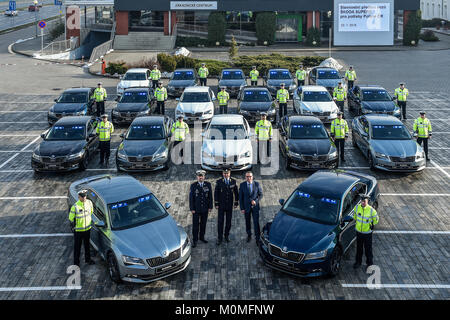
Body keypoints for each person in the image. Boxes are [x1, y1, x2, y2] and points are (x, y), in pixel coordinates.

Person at [352, 195, 379, 271]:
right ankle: (358, 262)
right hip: (359, 232)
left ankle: (369, 264)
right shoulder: (357, 208)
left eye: (365, 201)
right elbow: (355, 217)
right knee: (359, 249)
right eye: (362, 201)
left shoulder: (371, 210)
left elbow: (376, 220)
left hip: (367, 233)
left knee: (368, 249)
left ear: (367, 201)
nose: (363, 202)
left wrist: (371, 225)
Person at [69, 190, 95, 267]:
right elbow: (71, 218)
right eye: (82, 197)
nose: (84, 198)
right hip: (78, 231)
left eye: (85, 196)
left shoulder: (89, 203)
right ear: (79, 197)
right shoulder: (75, 206)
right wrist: (74, 227)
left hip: (87, 229)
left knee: (87, 246)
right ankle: (76, 263)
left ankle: (88, 260)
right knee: (77, 247)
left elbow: (91, 212)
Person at [214, 169, 239, 245]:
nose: (226, 175)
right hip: (221, 205)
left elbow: (236, 192)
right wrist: (216, 203)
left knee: (228, 222)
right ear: (222, 173)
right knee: (220, 222)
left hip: (229, 205)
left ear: (229, 173)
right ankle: (220, 238)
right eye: (224, 173)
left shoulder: (233, 181)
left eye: (227, 173)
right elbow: (216, 193)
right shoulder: (219, 182)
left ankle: (226, 236)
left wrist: (236, 202)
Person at [189, 170, 213, 248]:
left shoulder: (208, 185)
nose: (200, 178)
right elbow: (191, 198)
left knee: (203, 224)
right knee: (195, 226)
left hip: (205, 209)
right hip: (196, 209)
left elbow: (210, 197)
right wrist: (192, 208)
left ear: (204, 177)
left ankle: (202, 237)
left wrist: (210, 207)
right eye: (199, 176)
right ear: (197, 177)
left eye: (202, 176)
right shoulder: (193, 186)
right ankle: (195, 240)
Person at [239, 172, 263, 244]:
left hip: (255, 207)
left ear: (252, 177)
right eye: (247, 176)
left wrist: (256, 201)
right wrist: (242, 208)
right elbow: (240, 197)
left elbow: (261, 194)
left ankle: (257, 237)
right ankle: (249, 235)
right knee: (247, 222)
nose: (248, 178)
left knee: (256, 222)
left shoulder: (257, 184)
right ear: (245, 177)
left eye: (250, 176)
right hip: (246, 207)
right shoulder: (242, 185)